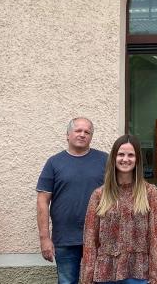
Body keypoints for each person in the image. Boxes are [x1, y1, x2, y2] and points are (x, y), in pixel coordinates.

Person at [81, 134, 157, 284]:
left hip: (138, 272)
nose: (125, 159)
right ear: (113, 157)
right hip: (105, 272)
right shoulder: (99, 195)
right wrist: (87, 278)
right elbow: (90, 240)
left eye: (131, 155)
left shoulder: (150, 192)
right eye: (121, 154)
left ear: (137, 159)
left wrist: (156, 276)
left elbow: (154, 237)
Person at [38, 117, 108, 284]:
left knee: (101, 281)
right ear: (67, 135)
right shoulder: (54, 163)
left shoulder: (105, 160)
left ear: (91, 136)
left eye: (87, 132)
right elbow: (42, 201)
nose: (82, 134)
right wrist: (44, 238)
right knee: (67, 281)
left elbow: (117, 195)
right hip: (65, 238)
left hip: (100, 238)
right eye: (78, 130)